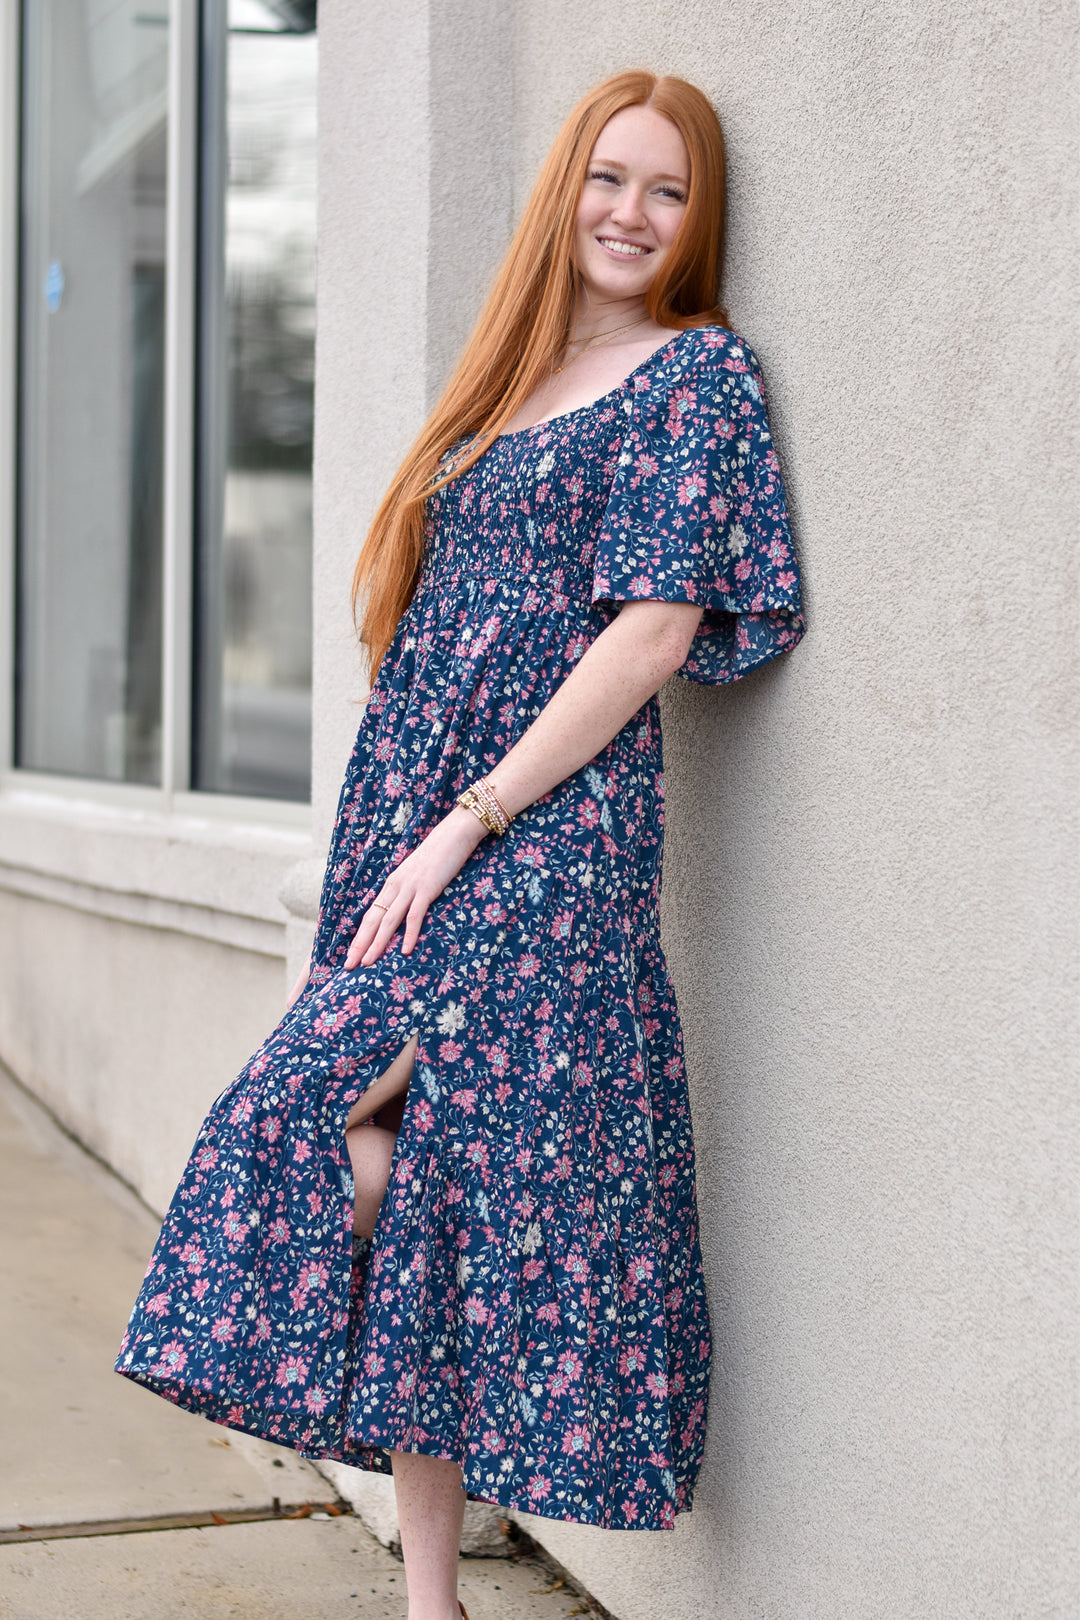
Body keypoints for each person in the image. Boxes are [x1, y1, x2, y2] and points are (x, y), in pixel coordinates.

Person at [117, 69, 804, 1620]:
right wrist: (408, 818)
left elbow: (650, 634)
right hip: (412, 825)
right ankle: (432, 1600)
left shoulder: (694, 377)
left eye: (669, 190)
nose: (631, 212)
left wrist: (475, 818)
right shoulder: (514, 376)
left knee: (319, 1131)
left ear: (699, 222)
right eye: (609, 178)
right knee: (398, 1173)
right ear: (566, 189)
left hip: (543, 836)